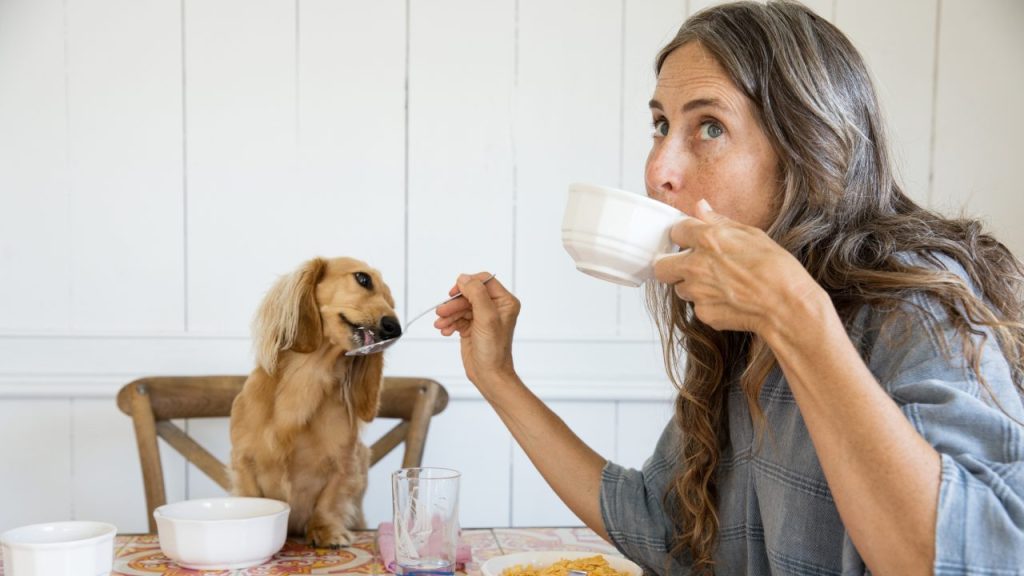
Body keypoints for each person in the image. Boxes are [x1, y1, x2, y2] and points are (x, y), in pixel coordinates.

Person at [434, 1, 1024, 574]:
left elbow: (977, 561)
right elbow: (665, 529)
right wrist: (497, 377)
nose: (659, 168)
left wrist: (796, 317)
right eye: (661, 124)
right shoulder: (741, 322)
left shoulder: (919, 304)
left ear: (810, 146)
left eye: (709, 127)